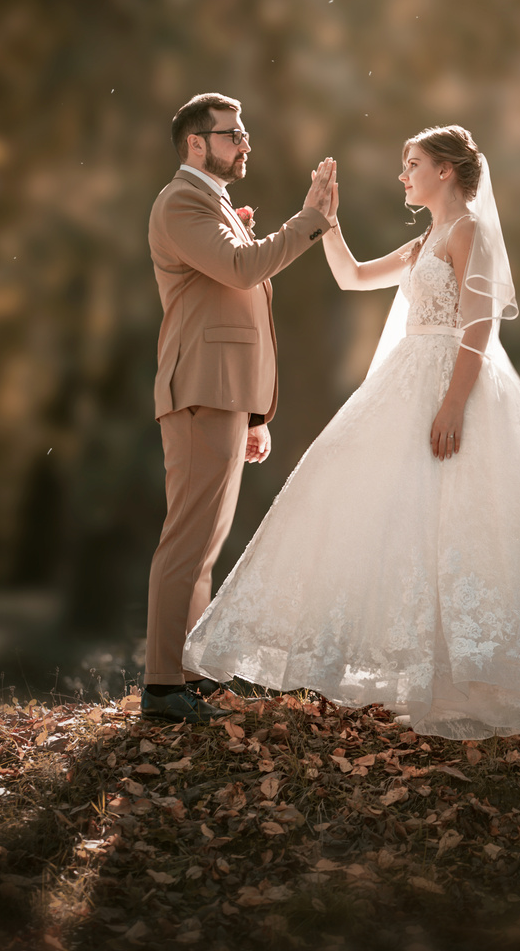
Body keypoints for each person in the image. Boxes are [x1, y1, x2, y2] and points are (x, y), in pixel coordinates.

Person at [183, 125, 520, 740]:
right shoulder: (427, 238)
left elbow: (480, 325)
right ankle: (427, 674)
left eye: (413, 163)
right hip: (407, 381)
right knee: (383, 501)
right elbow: (352, 277)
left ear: (446, 171)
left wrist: (454, 404)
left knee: (465, 523)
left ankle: (472, 681)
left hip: (455, 384)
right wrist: (326, 222)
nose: (403, 175)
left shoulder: (468, 231)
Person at [142, 91, 336, 723]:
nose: (244, 143)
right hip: (199, 389)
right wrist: (308, 220)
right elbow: (239, 269)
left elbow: (234, 297)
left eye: (244, 132)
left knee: (205, 543)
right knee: (187, 539)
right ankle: (162, 686)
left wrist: (253, 413)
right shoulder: (181, 201)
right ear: (196, 144)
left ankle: (186, 676)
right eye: (232, 134)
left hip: (224, 393)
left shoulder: (215, 202)